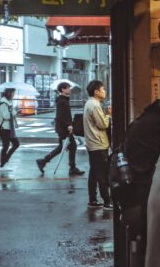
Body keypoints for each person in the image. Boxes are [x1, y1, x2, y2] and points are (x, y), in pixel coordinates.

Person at [36, 82, 84, 176]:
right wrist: (68, 125)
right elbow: (61, 116)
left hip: (63, 128)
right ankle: (71, 168)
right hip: (63, 129)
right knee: (67, 146)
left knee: (67, 147)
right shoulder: (62, 101)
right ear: (63, 89)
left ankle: (44, 161)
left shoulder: (64, 100)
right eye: (68, 88)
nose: (70, 89)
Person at [84, 80, 112, 210]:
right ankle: (107, 201)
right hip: (99, 144)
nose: (104, 91)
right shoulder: (95, 105)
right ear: (96, 92)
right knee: (102, 174)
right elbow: (103, 124)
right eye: (103, 89)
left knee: (94, 172)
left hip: (92, 143)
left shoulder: (89, 103)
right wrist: (109, 115)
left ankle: (93, 199)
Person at [0, 88, 20, 168]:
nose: (14, 95)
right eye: (13, 93)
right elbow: (6, 116)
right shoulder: (3, 103)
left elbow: (11, 113)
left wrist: (15, 111)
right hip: (5, 128)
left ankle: (4, 160)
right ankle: (3, 161)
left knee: (15, 144)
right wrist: (15, 111)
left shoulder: (9, 102)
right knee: (6, 146)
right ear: (9, 93)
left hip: (9, 127)